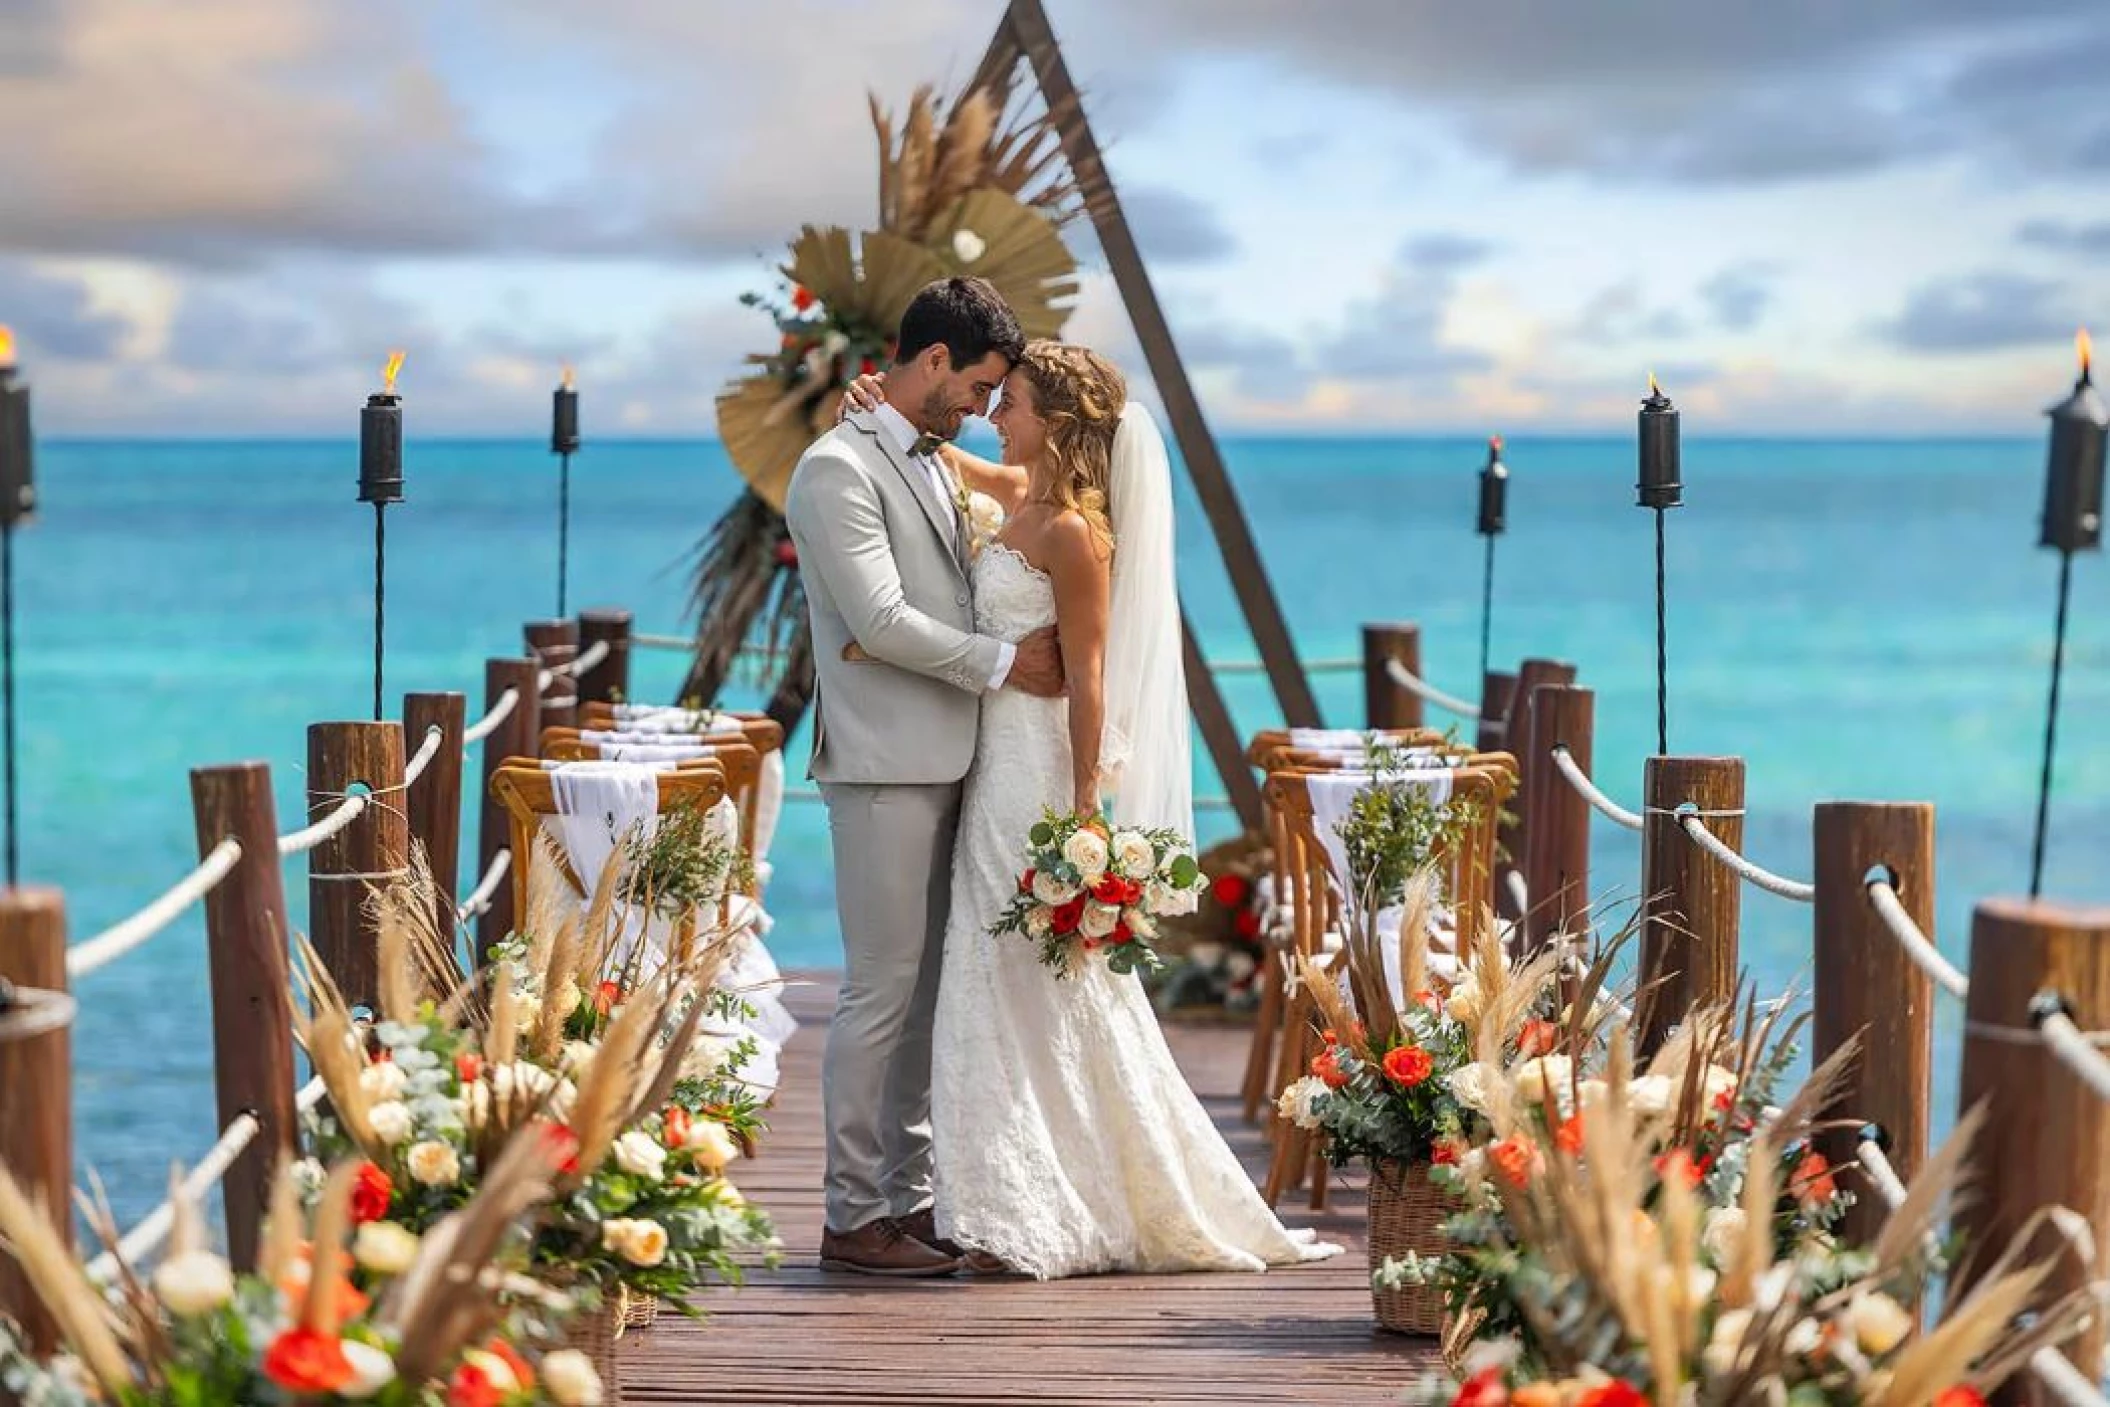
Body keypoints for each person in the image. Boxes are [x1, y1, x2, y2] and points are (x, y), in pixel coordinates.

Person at [841, 342, 1340, 1279]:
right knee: (994, 976)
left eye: (1013, 403)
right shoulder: (1018, 496)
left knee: (1021, 972)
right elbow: (943, 455)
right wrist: (879, 407)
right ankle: (1010, 1191)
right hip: (985, 763)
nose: (995, 415)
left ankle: (1028, 1205)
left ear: (1058, 423)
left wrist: (1081, 809)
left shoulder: (1075, 534)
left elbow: (1092, 680)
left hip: (1031, 774)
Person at [782, 276, 1065, 1277]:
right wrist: (1006, 663)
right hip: (882, 767)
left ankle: (906, 1199)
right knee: (879, 991)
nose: (985, 408)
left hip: (958, 759)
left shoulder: (933, 457)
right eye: (980, 386)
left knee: (926, 995)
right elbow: (881, 620)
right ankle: (851, 1214)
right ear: (935, 360)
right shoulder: (836, 468)